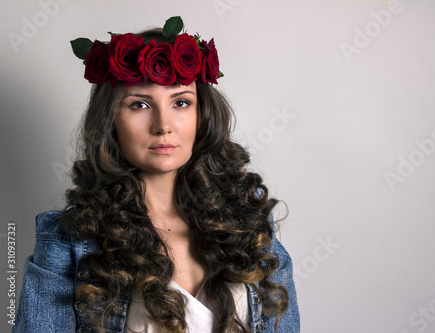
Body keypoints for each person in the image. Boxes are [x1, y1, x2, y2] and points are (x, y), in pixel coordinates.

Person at [13, 17, 299, 333]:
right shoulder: (71, 241)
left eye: (180, 102)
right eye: (139, 104)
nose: (163, 124)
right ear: (110, 122)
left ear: (201, 116)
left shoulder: (251, 229)